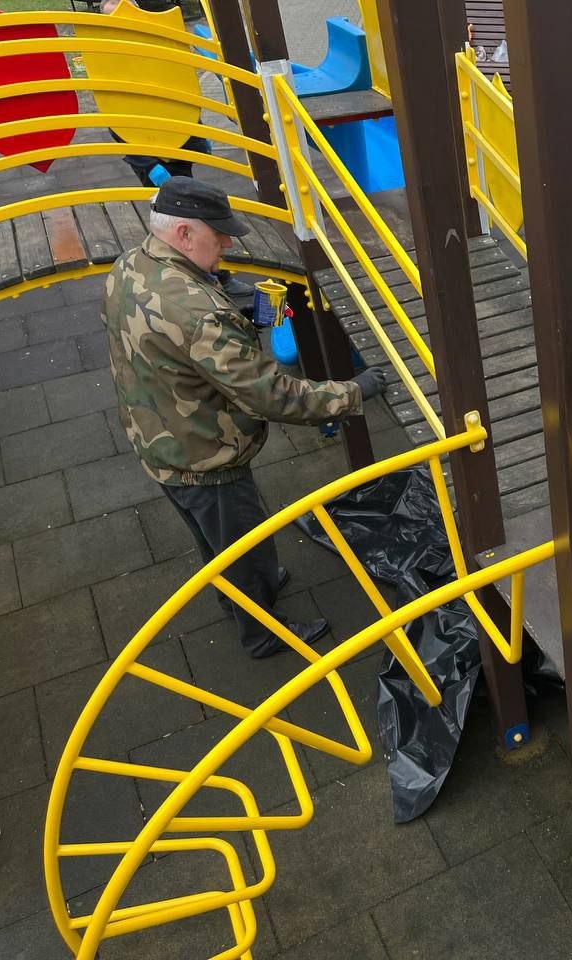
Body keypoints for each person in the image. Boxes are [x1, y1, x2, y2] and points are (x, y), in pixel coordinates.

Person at [102, 177, 388, 658]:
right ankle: (262, 633)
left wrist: (238, 317)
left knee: (214, 543)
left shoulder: (130, 264)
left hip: (159, 440)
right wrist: (353, 392)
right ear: (185, 234)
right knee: (243, 545)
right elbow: (272, 396)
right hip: (206, 457)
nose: (229, 245)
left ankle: (240, 592)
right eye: (220, 235)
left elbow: (177, 339)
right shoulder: (201, 315)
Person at [98, 0, 254, 302]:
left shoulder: (151, 48)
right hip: (151, 156)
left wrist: (197, 135)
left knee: (180, 215)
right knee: (183, 216)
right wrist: (148, 165)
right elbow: (118, 120)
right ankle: (210, 277)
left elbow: (179, 93)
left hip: (178, 145)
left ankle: (203, 275)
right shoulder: (113, 59)